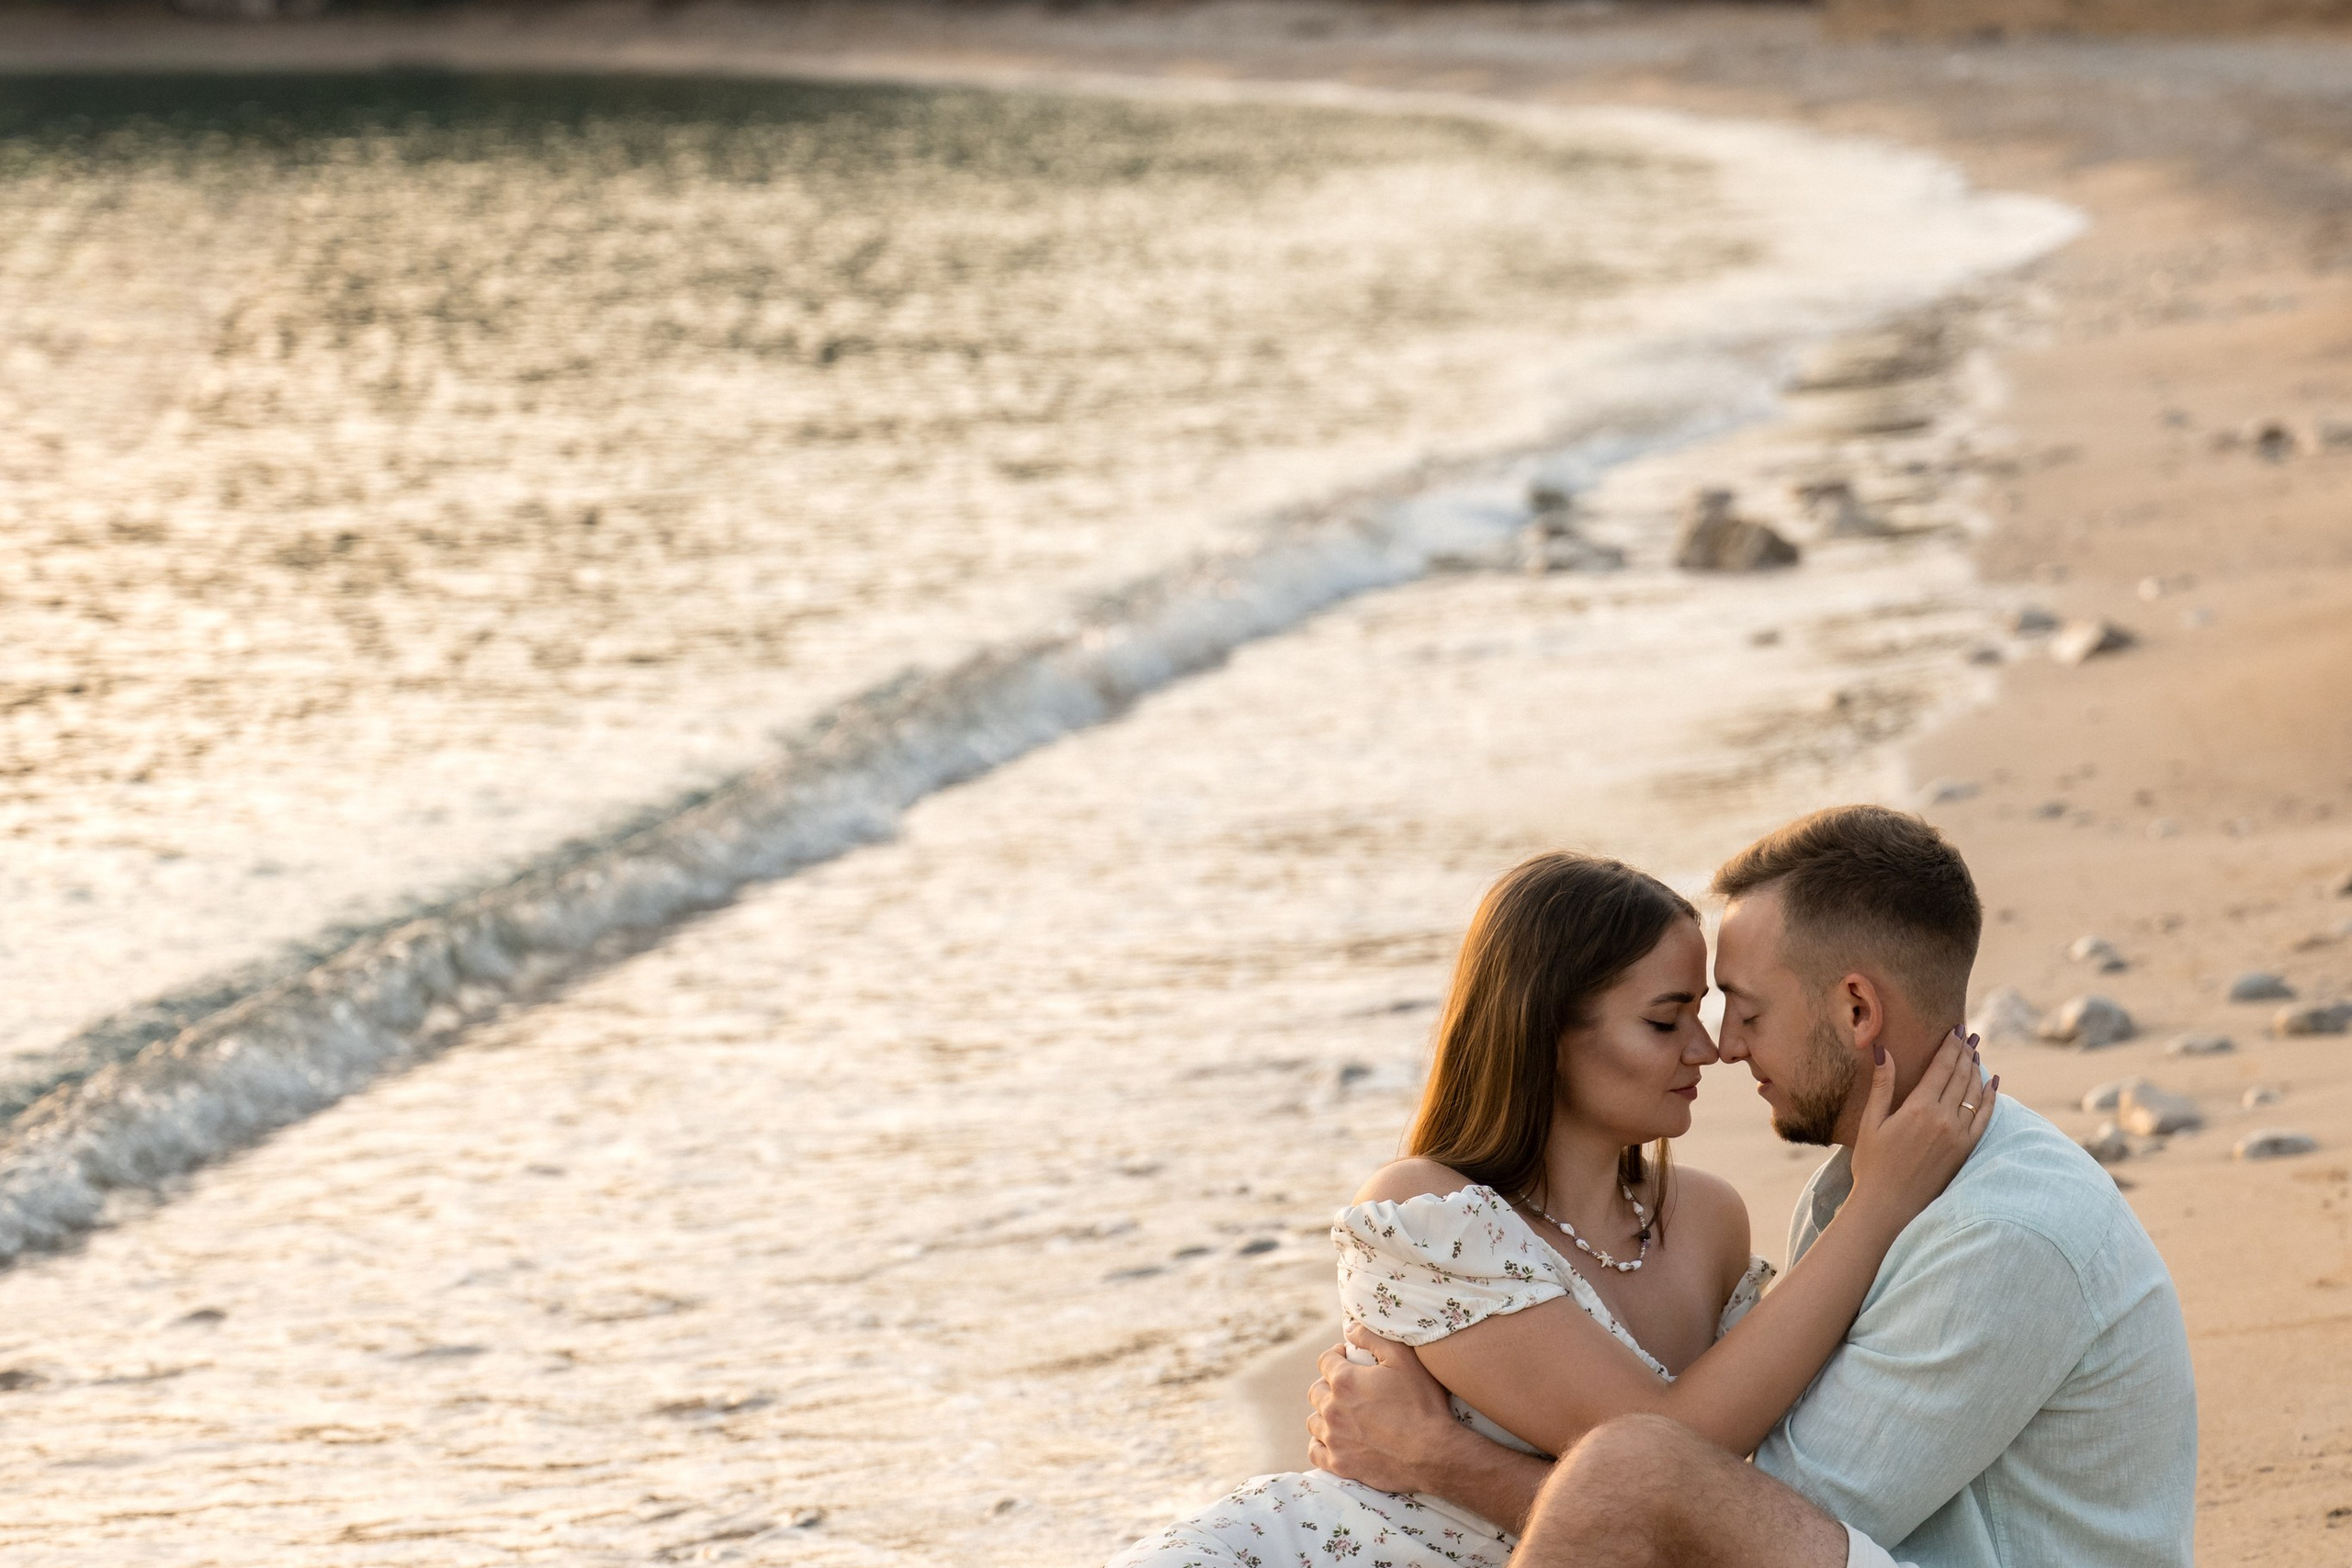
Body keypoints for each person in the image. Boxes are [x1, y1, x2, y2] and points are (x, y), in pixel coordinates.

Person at [1309, 806, 2197, 1568]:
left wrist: (1435, 1457)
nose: (1723, 1046)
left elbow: (1723, 1516)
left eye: (1746, 1008)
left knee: (1633, 1462)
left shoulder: (2000, 1232)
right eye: (1688, 1014)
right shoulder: (1858, 1191)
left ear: (1858, 1010)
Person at [1106, 839, 1995, 1568]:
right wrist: (1877, 1205)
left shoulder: (1708, 1220)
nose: (1707, 1047)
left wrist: (1437, 1455)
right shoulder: (1432, 1217)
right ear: (1548, 1032)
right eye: (1665, 1020)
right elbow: (1657, 1446)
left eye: (1705, 1011)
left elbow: (1691, 1494)